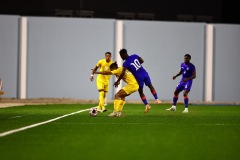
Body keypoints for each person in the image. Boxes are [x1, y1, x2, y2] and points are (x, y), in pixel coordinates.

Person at [114, 49, 161, 113]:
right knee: (150, 86)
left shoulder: (125, 64)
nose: (121, 57)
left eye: (121, 56)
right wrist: (138, 66)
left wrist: (118, 81)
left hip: (139, 77)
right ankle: (157, 99)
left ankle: (147, 105)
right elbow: (142, 60)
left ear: (124, 54)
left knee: (141, 92)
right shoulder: (134, 55)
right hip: (145, 73)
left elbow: (123, 73)